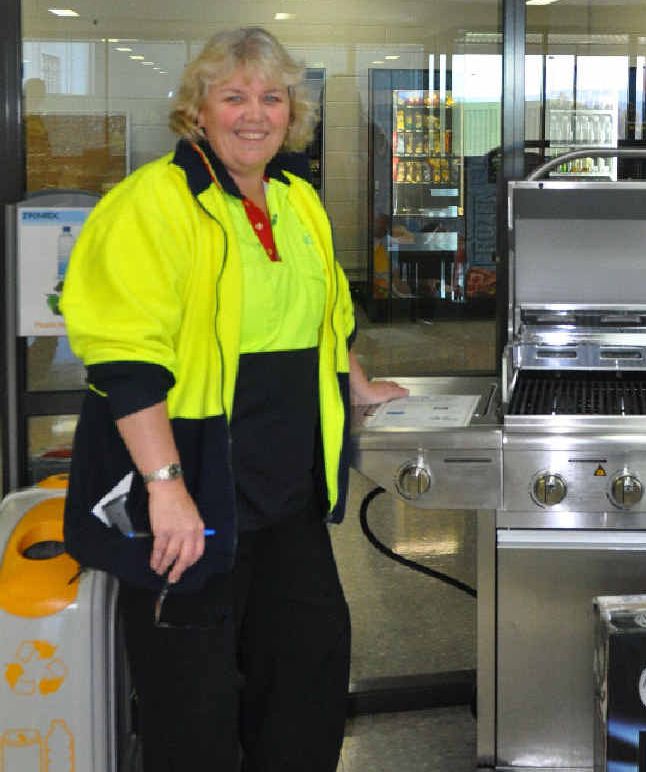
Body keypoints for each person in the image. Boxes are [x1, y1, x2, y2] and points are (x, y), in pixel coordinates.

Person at [60, 26, 407, 771]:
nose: (255, 114)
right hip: (193, 496)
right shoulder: (152, 204)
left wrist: (356, 381)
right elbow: (125, 363)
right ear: (199, 110)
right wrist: (165, 487)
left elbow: (324, 316)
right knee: (195, 708)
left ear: (292, 114)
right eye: (234, 96)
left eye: (272, 97)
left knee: (306, 686)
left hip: (288, 502)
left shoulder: (297, 200)